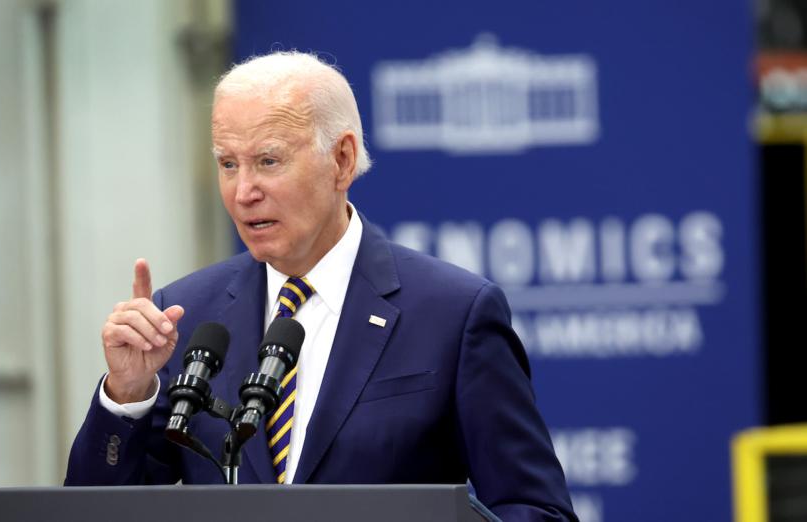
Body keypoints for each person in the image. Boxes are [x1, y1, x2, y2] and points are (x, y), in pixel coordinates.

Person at [65, 51, 577, 521]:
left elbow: (535, 510)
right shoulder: (184, 315)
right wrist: (127, 394)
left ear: (342, 160)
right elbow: (96, 513)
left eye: (268, 161)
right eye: (228, 164)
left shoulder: (453, 314)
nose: (244, 192)